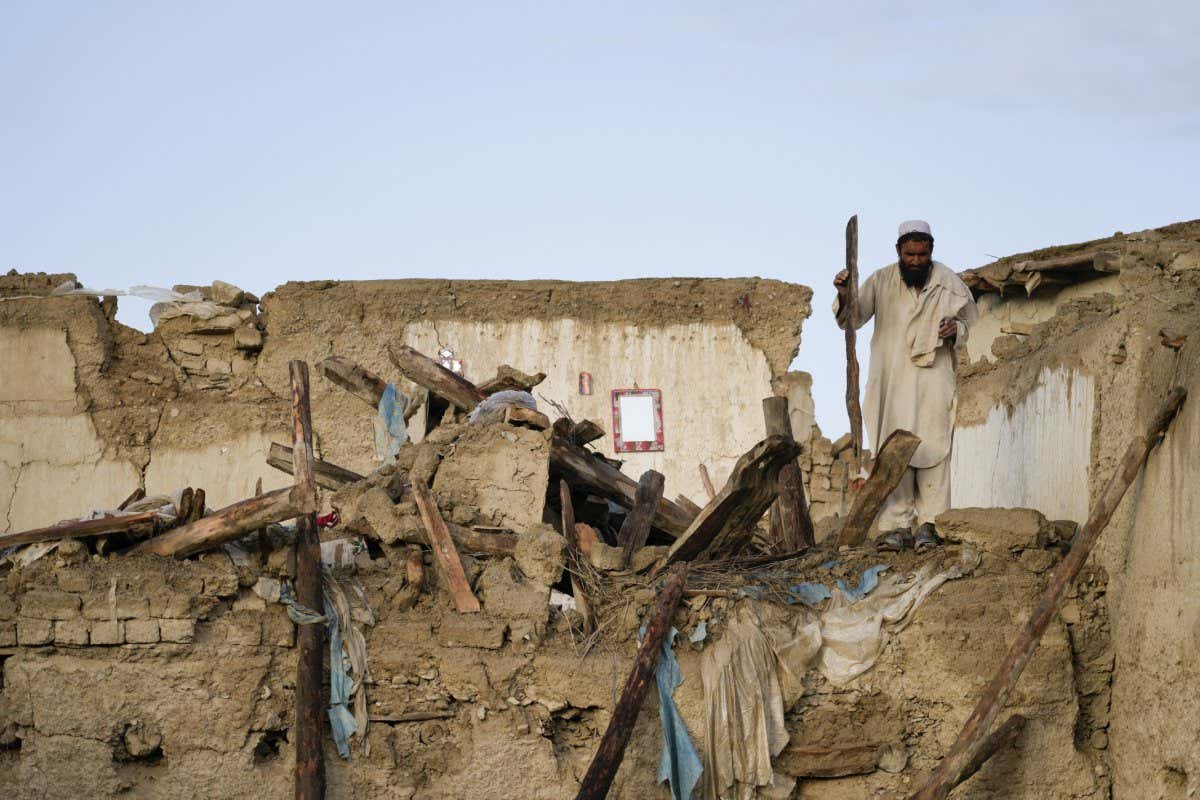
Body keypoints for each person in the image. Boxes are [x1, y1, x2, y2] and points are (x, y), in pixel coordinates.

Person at [833, 220, 978, 551]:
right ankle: (895, 527)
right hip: (892, 381)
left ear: (931, 251)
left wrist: (955, 329)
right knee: (892, 449)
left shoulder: (948, 283)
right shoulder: (882, 280)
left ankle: (932, 525)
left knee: (934, 446)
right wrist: (844, 293)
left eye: (922, 254)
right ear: (898, 251)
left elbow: (971, 321)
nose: (915, 261)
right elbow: (851, 319)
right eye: (910, 254)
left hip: (933, 381)